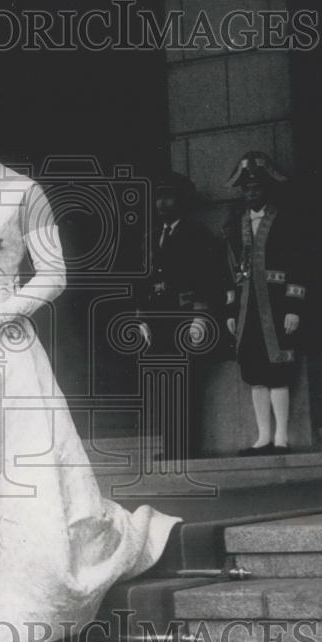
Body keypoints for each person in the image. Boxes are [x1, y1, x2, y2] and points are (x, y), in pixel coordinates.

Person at [0, 60, 180, 642]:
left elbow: (53, 274)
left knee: (8, 481)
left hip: (3, 353)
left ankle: (21, 610)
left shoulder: (24, 192)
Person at [223, 150, 305, 455]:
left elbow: (300, 262)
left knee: (279, 370)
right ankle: (263, 437)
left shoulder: (287, 219)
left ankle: (281, 437)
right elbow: (230, 269)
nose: (250, 193)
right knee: (255, 373)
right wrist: (231, 309)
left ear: (266, 188)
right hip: (248, 309)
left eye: (255, 187)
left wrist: (294, 306)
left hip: (277, 305)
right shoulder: (236, 223)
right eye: (246, 189)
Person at [135, 171, 220, 461]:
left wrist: (200, 315)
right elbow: (144, 280)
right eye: (159, 197)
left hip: (185, 317)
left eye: (169, 197)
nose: (162, 203)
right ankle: (172, 445)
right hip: (160, 321)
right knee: (165, 381)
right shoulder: (152, 237)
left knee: (187, 382)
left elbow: (207, 279)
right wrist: (142, 317)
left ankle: (187, 447)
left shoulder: (197, 234)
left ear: (183, 200)